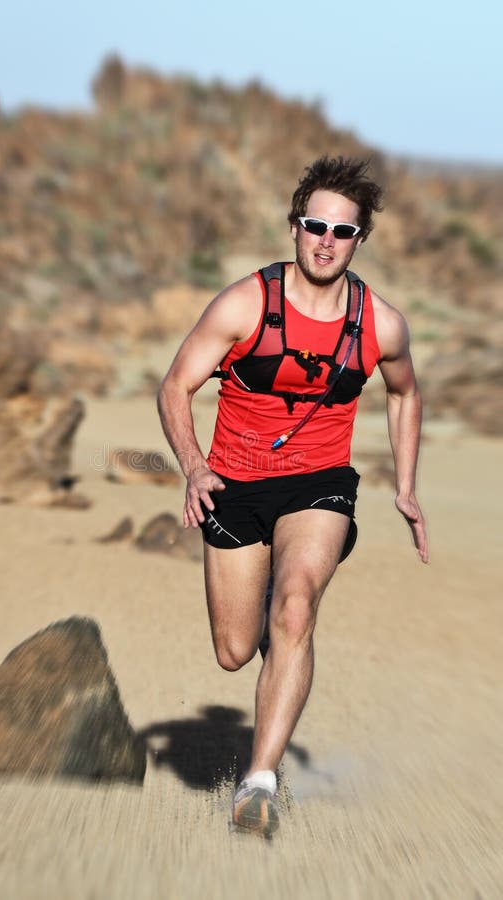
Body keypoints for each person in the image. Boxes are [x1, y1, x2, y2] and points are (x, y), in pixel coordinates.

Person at [157, 156, 429, 837]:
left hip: (319, 486)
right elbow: (175, 386)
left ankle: (259, 783)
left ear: (360, 239)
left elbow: (404, 392)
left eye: (343, 230)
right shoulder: (246, 304)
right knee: (233, 647)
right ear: (294, 228)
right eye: (315, 225)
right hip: (233, 483)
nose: (326, 241)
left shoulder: (380, 325)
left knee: (296, 609)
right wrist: (193, 466)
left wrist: (407, 485)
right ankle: (274, 600)